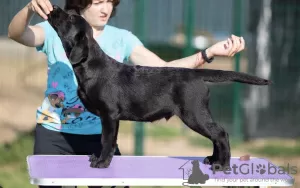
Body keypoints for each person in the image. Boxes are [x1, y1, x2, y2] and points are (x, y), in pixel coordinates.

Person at [8, 0, 245, 187]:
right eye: (99, 1)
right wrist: (29, 8)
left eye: (111, 2)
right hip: (54, 136)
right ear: (82, 3)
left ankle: (220, 150)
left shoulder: (122, 38)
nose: (106, 8)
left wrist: (207, 54)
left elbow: (162, 70)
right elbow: (16, 34)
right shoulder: (60, 31)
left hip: (97, 140)